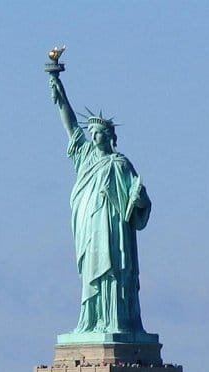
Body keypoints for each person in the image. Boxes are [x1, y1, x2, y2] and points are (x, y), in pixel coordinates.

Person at [48, 70, 152, 337]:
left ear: (109, 136)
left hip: (114, 228)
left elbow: (140, 200)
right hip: (89, 227)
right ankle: (92, 321)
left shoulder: (120, 164)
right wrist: (61, 94)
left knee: (115, 272)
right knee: (92, 272)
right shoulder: (84, 157)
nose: (94, 137)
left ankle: (116, 321)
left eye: (99, 133)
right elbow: (70, 126)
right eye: (91, 133)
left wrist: (139, 200)